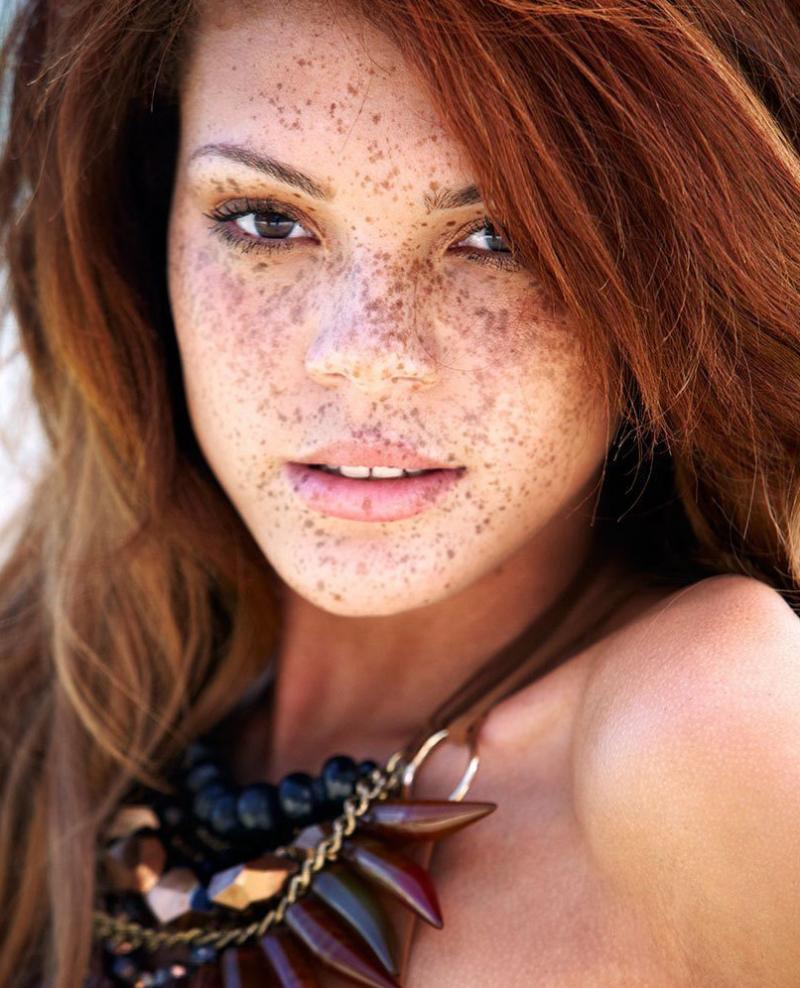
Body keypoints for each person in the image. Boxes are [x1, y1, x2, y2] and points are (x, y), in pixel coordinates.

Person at [1, 0, 800, 985]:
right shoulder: (43, 691)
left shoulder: (710, 732)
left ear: (666, 273)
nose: (366, 354)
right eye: (268, 220)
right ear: (143, 225)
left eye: (496, 237)